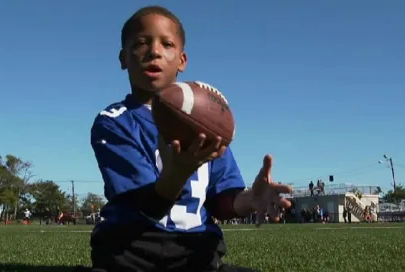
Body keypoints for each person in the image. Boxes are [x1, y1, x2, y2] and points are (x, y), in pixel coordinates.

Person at [81, 5, 292, 272]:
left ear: (182, 60)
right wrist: (178, 172)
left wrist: (249, 200)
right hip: (132, 253)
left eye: (167, 44)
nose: (154, 51)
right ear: (124, 58)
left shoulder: (209, 122)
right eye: (142, 43)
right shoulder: (114, 121)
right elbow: (145, 206)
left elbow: (220, 201)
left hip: (196, 252)